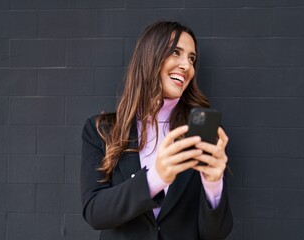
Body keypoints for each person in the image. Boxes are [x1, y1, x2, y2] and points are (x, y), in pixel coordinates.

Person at [81, 21, 233, 240]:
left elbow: (215, 234)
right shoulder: (102, 130)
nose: (186, 66)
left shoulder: (202, 132)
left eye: (191, 58)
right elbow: (95, 213)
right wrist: (156, 178)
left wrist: (213, 184)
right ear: (150, 57)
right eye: (176, 53)